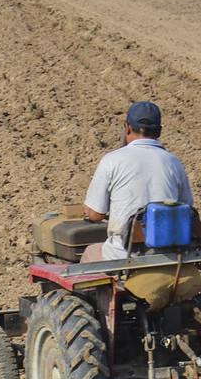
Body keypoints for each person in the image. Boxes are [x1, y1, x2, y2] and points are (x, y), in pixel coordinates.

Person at [81, 101, 193, 262]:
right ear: (159, 131)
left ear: (127, 127)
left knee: (90, 253)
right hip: (170, 255)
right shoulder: (174, 162)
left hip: (124, 254)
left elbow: (95, 214)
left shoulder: (112, 160)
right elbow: (186, 208)